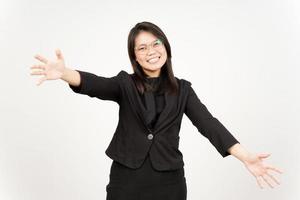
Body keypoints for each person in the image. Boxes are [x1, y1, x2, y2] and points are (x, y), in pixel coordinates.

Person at [30, 21, 283, 200]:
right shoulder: (125, 84)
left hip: (169, 183)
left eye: (156, 43)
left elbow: (209, 124)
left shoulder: (183, 90)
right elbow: (96, 84)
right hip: (126, 181)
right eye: (142, 48)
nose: (151, 52)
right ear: (135, 57)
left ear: (166, 47)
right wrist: (64, 73)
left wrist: (245, 156)